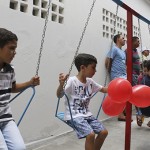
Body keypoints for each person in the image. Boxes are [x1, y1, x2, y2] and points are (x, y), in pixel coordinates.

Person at [57, 53, 108, 150]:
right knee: (90, 135)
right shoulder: (72, 81)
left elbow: (104, 89)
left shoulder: (90, 82)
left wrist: (119, 88)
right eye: (93, 68)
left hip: (87, 115)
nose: (95, 71)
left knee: (103, 132)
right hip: (74, 115)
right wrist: (61, 85)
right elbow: (59, 95)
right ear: (83, 68)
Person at [0, 28, 40, 150]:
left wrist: (30, 83)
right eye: (11, 48)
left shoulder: (9, 69)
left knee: (20, 148)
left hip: (5, 118)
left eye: (15, 49)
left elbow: (12, 87)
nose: (14, 52)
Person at [105, 34, 126, 121]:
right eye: (123, 38)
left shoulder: (122, 51)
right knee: (119, 95)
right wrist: (111, 72)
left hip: (124, 75)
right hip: (116, 75)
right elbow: (107, 61)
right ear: (117, 39)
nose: (125, 40)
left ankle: (123, 113)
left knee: (124, 94)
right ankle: (120, 115)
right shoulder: (114, 49)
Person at [140, 59, 150, 127]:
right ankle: (140, 115)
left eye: (146, 71)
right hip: (146, 107)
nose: (145, 73)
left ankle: (140, 115)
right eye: (145, 71)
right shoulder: (145, 80)